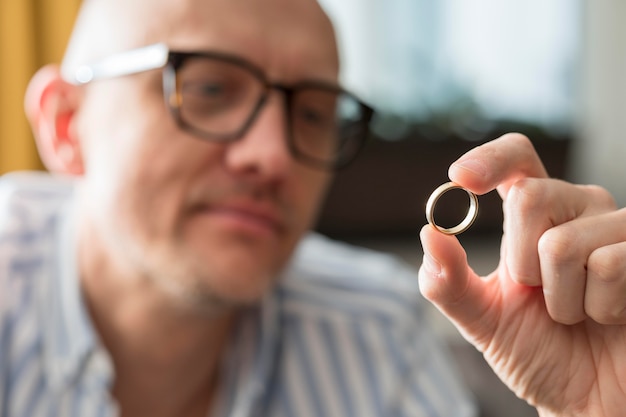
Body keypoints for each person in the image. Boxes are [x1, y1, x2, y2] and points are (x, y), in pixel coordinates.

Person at [0, 1, 624, 417]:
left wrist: (593, 407)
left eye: (313, 114)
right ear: (66, 125)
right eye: (210, 88)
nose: (273, 156)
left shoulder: (378, 333)